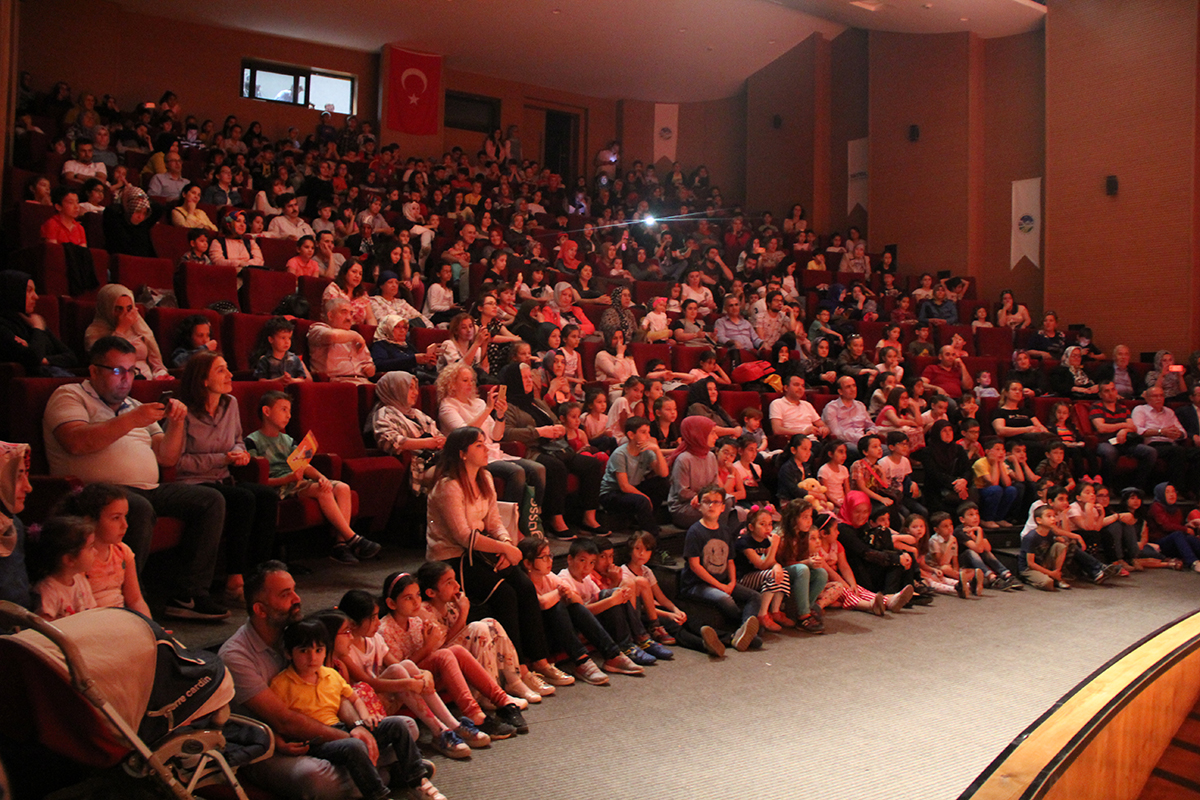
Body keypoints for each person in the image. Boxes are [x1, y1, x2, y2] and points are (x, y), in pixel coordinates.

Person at [219, 562, 440, 800]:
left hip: (330, 730)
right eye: (286, 595)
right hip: (273, 745)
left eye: (294, 590)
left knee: (406, 726)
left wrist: (357, 726)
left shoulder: (298, 632)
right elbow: (285, 721)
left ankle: (370, 771)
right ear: (261, 610)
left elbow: (334, 689)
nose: (297, 599)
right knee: (316, 778)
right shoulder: (236, 656)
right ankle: (385, 774)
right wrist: (351, 738)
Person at [43, 336, 227, 620]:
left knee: (210, 500)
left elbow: (166, 457)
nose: (126, 379)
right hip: (96, 492)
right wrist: (131, 420)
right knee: (137, 508)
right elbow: (75, 442)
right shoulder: (69, 396)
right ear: (94, 371)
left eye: (131, 371)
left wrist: (177, 423)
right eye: (117, 371)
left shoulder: (135, 405)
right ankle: (131, 602)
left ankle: (189, 593)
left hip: (147, 488)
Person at [426, 427, 572, 689]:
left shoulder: (485, 478)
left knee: (525, 586)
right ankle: (517, 671)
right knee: (505, 594)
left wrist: (505, 543)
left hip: (483, 551)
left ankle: (540, 661)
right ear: (462, 453)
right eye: (479, 445)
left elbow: (495, 522)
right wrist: (504, 549)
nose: (486, 449)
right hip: (454, 557)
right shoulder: (448, 486)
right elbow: (462, 536)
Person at [269, 617, 443, 800]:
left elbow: (354, 698)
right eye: (304, 651)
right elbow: (276, 720)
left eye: (318, 650)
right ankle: (378, 795)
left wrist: (364, 718)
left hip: (343, 726)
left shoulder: (330, 675)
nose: (312, 658)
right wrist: (281, 743)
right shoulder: (281, 683)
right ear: (289, 653)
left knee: (397, 725)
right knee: (354, 745)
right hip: (314, 739)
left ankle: (418, 781)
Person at [172, 353, 279, 603]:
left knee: (266, 495)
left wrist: (240, 454)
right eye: (221, 371)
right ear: (203, 380)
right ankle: (234, 577)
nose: (230, 375)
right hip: (193, 482)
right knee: (242, 498)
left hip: (223, 478)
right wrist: (223, 458)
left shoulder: (229, 403)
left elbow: (239, 440)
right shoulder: (182, 410)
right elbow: (178, 463)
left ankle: (260, 575)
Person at [377, 572, 526, 739]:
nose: (416, 602)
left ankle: (503, 702)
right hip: (404, 688)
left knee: (456, 651)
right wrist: (427, 647)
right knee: (445, 655)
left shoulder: (416, 621)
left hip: (425, 677)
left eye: (417, 595)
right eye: (408, 598)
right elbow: (400, 670)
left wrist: (429, 646)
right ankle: (475, 715)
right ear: (391, 603)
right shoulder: (385, 630)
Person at [245, 391, 380, 564]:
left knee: (342, 488)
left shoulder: (287, 439)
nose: (288, 415)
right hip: (279, 486)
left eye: (290, 411)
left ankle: (340, 545)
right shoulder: (252, 441)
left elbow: (303, 465)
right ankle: (353, 538)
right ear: (266, 411)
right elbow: (256, 478)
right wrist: (288, 479)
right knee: (322, 492)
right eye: (283, 409)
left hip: (297, 481)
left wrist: (321, 477)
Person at [500, 363, 603, 536]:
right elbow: (506, 433)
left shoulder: (537, 402)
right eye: (524, 378)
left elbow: (556, 420)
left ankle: (589, 517)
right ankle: (556, 520)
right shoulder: (507, 406)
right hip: (533, 451)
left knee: (592, 464)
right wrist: (539, 432)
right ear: (514, 380)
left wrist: (559, 429)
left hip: (556, 447)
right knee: (556, 467)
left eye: (530, 377)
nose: (529, 381)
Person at [518, 537, 636, 685]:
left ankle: (613, 654)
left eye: (550, 555)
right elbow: (541, 603)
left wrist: (569, 595)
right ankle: (582, 661)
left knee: (573, 605)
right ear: (528, 563)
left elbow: (578, 602)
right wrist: (560, 594)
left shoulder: (548, 577)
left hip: (561, 633)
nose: (550, 560)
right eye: (544, 557)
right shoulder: (522, 582)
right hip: (537, 642)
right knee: (558, 606)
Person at [679, 485, 762, 655]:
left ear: (723, 507)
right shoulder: (695, 532)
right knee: (725, 599)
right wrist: (720, 585)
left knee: (755, 596)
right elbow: (695, 566)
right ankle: (746, 631)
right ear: (699, 505)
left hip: (723, 580)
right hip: (697, 584)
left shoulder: (724, 530)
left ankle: (744, 632)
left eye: (716, 502)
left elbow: (730, 560)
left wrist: (731, 582)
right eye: (707, 502)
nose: (711, 506)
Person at [836, 491, 917, 609]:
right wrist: (896, 558)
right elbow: (866, 553)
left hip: (867, 566)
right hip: (856, 572)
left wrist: (900, 556)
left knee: (903, 555)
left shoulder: (863, 525)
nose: (862, 516)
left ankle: (903, 592)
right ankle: (889, 598)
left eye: (865, 511)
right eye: (857, 511)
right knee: (895, 560)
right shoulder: (843, 529)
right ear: (849, 509)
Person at [599, 416, 670, 535]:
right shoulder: (620, 454)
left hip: (633, 488)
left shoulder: (646, 451)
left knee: (662, 483)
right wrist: (646, 498)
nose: (648, 436)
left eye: (648, 432)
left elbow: (663, 473)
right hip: (612, 494)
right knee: (642, 501)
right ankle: (652, 536)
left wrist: (657, 451)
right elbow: (624, 486)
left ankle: (645, 521)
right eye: (643, 432)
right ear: (631, 435)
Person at [0, 271, 77, 377]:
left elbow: (71, 357)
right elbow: (33, 358)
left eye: (35, 291)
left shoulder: (32, 321)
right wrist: (38, 329)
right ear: (13, 293)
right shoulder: (4, 326)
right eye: (29, 291)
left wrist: (44, 359)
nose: (36, 297)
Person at [1089, 381, 1158, 490]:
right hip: (1105, 441)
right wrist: (1123, 425)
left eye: (1113, 389)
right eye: (1106, 391)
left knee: (1150, 452)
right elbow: (1101, 428)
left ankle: (1136, 487)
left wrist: (1124, 431)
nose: (1111, 393)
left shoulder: (1123, 408)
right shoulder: (1096, 407)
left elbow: (1133, 428)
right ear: (1100, 394)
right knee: (1110, 452)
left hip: (1125, 441)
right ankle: (1107, 487)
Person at [1133, 386, 1200, 493]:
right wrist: (1161, 432)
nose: (1159, 398)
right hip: (1152, 444)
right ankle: (1177, 489)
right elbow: (1137, 430)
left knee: (1196, 453)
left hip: (1171, 444)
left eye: (1161, 395)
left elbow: (1183, 432)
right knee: (1177, 451)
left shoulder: (1169, 412)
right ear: (1148, 398)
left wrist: (1178, 434)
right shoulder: (1140, 409)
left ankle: (1194, 491)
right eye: (1155, 396)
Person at [31, 515, 97, 620]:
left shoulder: (81, 581)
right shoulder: (48, 590)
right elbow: (44, 628)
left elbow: (92, 616)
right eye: (90, 548)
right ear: (69, 559)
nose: (95, 552)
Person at [308, 298, 375, 383]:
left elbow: (368, 364)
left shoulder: (355, 336)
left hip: (362, 381)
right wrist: (356, 336)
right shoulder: (317, 329)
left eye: (351, 314)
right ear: (330, 316)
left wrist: (370, 369)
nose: (349, 318)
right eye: (344, 312)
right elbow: (333, 336)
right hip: (338, 382)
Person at [1019, 506, 1070, 591]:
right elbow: (1031, 563)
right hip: (1029, 568)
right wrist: (1050, 573)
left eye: (1054, 516)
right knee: (1048, 583)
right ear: (1039, 520)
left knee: (1060, 546)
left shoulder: (1050, 533)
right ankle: (1030, 579)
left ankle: (1057, 575)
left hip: (1043, 562)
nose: (1053, 519)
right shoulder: (1031, 537)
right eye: (1049, 516)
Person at [821, 376, 876, 453]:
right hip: (845, 442)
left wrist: (871, 432)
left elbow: (871, 425)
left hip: (864, 441)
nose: (853, 389)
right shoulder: (832, 408)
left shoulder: (860, 405)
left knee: (886, 450)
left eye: (854, 385)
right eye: (848, 387)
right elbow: (836, 433)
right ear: (840, 391)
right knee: (862, 451)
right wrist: (860, 437)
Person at [769, 375, 830, 440]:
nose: (800, 388)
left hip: (812, 441)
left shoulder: (807, 404)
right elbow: (777, 430)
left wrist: (824, 429)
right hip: (794, 442)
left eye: (803, 386)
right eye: (796, 385)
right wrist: (803, 432)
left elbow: (821, 424)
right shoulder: (777, 403)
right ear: (786, 388)